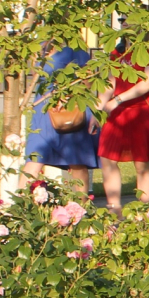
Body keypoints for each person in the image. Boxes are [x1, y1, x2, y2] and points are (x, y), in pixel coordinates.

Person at [97, 43, 149, 214]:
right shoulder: (118, 51)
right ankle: (114, 210)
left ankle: (145, 211)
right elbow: (110, 82)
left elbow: (147, 84)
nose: (126, 25)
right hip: (115, 113)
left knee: (142, 164)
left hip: (140, 112)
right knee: (107, 159)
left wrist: (117, 100)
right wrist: (98, 110)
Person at [23, 45, 99, 194]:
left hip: (67, 109)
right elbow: (36, 76)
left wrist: (66, 93)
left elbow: (87, 81)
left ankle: (82, 204)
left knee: (76, 160)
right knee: (34, 158)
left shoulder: (74, 49)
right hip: (43, 109)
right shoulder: (39, 46)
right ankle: (20, 203)